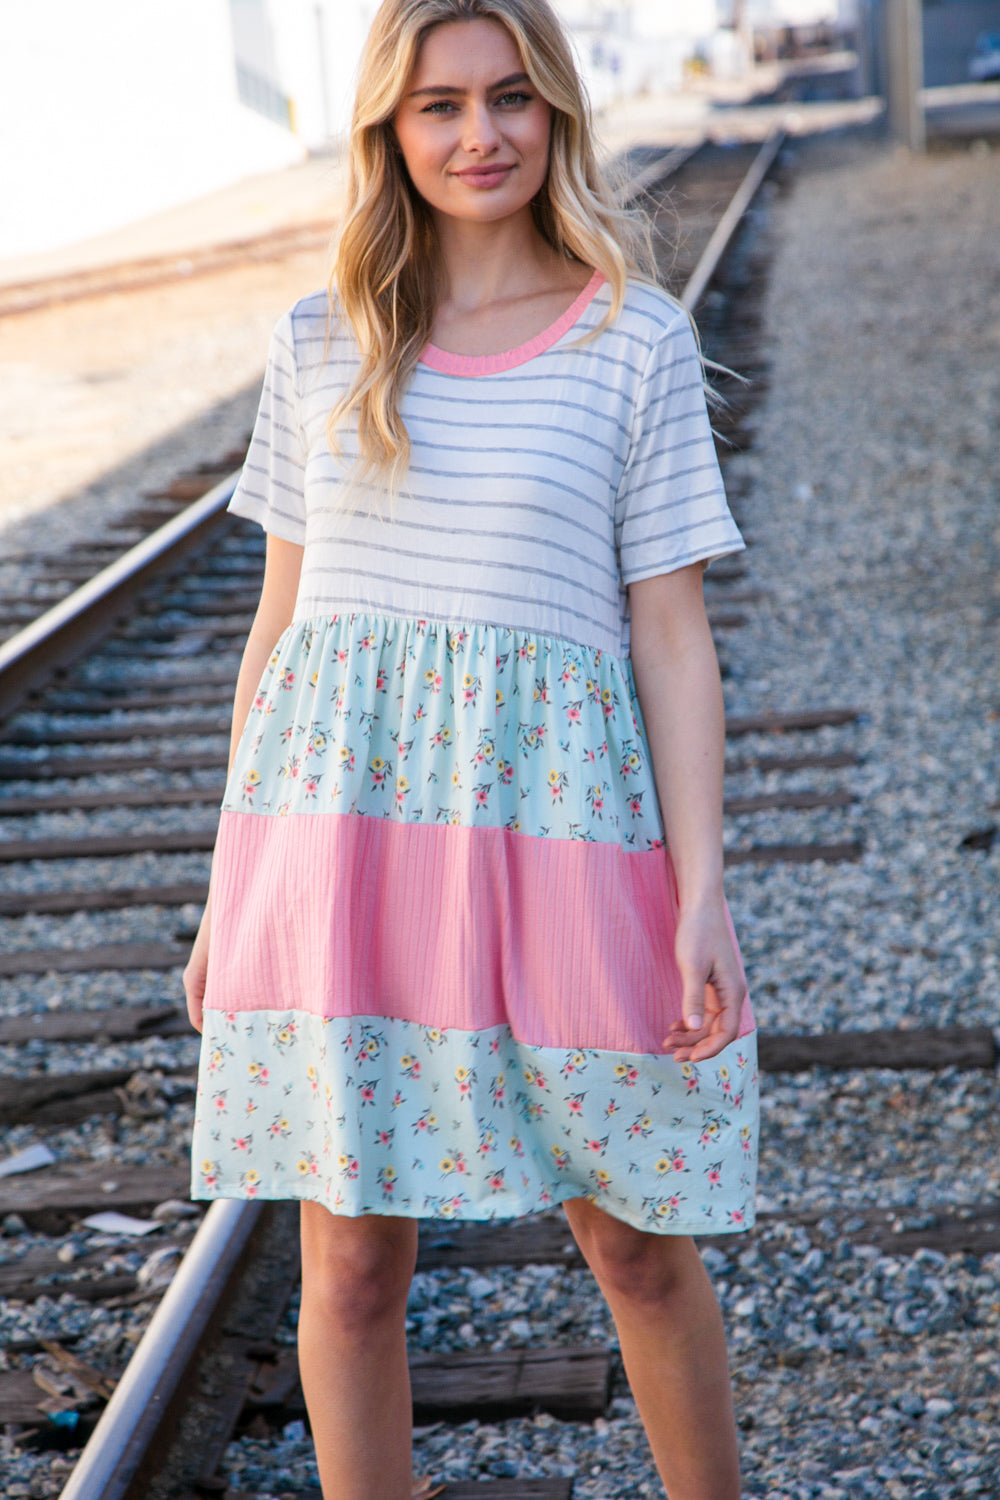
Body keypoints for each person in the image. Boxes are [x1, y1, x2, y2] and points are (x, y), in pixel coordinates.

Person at [185, 2, 759, 1496]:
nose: (479, 135)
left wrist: (702, 890)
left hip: (559, 839)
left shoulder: (632, 334)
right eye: (438, 107)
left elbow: (672, 637)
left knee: (633, 1233)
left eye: (510, 98)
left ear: (556, 111)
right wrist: (225, 888)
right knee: (354, 1267)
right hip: (338, 841)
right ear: (390, 130)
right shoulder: (322, 339)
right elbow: (281, 636)